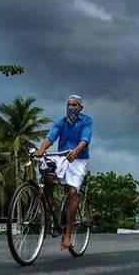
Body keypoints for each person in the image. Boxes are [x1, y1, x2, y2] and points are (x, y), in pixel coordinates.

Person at [34, 94, 92, 250]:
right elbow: (50, 137)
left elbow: (85, 140)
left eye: (74, 105)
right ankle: (51, 203)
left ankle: (67, 235)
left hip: (78, 159)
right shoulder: (60, 123)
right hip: (62, 157)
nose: (71, 107)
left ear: (80, 107)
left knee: (73, 193)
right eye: (68, 105)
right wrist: (41, 149)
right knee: (45, 170)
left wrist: (76, 151)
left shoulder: (86, 121)